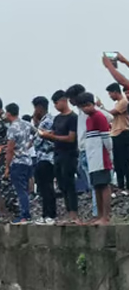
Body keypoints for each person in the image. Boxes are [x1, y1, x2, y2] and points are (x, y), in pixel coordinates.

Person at [40, 90, 80, 224]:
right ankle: (69, 213)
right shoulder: (57, 118)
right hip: (57, 154)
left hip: (69, 155)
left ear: (64, 100)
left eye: (57, 103)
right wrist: (47, 135)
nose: (56, 106)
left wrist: (51, 136)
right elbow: (55, 134)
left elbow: (71, 138)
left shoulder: (73, 117)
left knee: (69, 184)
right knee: (62, 185)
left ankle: (74, 214)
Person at [77, 92, 113, 225]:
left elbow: (106, 138)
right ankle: (99, 214)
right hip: (92, 157)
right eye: (82, 107)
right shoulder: (88, 119)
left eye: (87, 106)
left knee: (104, 185)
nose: (85, 109)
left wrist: (109, 153)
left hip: (101, 156)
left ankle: (106, 216)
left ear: (92, 104)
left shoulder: (99, 116)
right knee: (96, 186)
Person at [66, 84, 98, 217]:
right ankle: (96, 211)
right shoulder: (80, 112)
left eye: (70, 99)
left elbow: (109, 118)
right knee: (90, 183)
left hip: (89, 149)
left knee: (95, 184)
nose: (70, 102)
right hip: (83, 150)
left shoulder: (90, 111)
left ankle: (97, 212)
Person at [4, 103, 33, 224]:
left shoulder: (12, 128)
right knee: (25, 189)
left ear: (9, 113)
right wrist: (28, 145)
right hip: (27, 160)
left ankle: (24, 215)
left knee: (20, 190)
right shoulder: (26, 124)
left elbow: (10, 149)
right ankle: (26, 213)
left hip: (17, 162)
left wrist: (6, 167)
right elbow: (37, 134)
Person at [98, 83, 129, 195]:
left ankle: (126, 186)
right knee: (118, 162)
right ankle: (121, 186)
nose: (110, 96)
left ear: (115, 92)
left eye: (110, 93)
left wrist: (101, 107)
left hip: (123, 133)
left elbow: (111, 114)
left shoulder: (123, 102)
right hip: (115, 134)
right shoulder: (118, 103)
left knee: (124, 161)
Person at [31, 96, 56, 224]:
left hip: (47, 158)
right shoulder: (43, 121)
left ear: (39, 108)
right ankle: (46, 214)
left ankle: (50, 214)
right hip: (43, 158)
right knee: (43, 187)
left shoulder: (47, 122)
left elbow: (37, 141)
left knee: (46, 187)